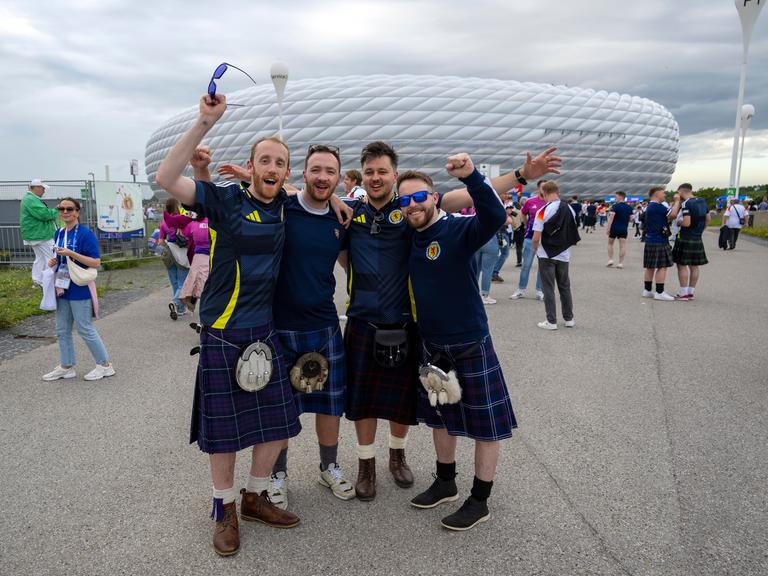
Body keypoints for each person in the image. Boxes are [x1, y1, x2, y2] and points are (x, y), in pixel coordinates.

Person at [155, 93, 302, 557]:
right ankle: (223, 509)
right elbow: (164, 178)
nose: (272, 167)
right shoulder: (224, 202)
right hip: (223, 333)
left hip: (266, 333)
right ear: (251, 165)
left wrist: (334, 201)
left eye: (280, 162)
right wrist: (204, 122)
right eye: (264, 160)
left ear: (286, 171)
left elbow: (320, 194)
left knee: (278, 424)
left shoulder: (287, 206)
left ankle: (255, 495)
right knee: (224, 434)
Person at [193, 143, 356, 510]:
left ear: (338, 177)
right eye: (316, 169)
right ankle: (276, 476)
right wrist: (241, 176)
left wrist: (337, 202)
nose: (323, 177)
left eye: (330, 171)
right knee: (282, 413)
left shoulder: (340, 217)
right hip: (278, 325)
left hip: (324, 323)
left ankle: (329, 466)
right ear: (302, 173)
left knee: (329, 404)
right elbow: (269, 191)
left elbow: (348, 263)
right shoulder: (285, 206)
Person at [398, 157, 517, 531]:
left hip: (469, 342)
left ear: (434, 197)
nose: (413, 204)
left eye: (419, 196)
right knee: (441, 418)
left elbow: (494, 217)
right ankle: (445, 481)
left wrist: (471, 176)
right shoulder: (409, 235)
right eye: (405, 200)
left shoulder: (459, 229)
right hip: (432, 345)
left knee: (485, 426)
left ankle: (479, 500)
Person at [42, 197, 115, 382]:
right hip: (62, 286)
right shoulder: (58, 233)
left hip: (80, 287)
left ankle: (105, 365)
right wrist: (54, 261)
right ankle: (67, 366)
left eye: (69, 209)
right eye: (62, 209)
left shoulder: (85, 234)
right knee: (62, 329)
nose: (65, 212)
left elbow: (96, 262)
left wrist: (71, 254)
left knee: (85, 328)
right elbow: (59, 257)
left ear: (77, 212)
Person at [532, 181, 579, 329]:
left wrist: (535, 250)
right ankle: (569, 319)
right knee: (565, 286)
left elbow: (536, 237)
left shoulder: (542, 211)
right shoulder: (569, 209)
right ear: (557, 192)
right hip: (564, 254)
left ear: (543, 193)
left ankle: (551, 321)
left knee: (548, 287)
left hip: (546, 254)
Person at [508, 181, 547, 300]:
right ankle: (521, 289)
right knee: (526, 265)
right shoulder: (530, 201)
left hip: (545, 239)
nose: (544, 190)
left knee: (543, 266)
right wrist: (527, 225)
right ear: (538, 188)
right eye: (542, 187)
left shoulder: (551, 202)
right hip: (530, 237)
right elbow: (523, 214)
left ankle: (539, 291)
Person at [671, 183, 709, 300]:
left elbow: (686, 222)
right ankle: (691, 292)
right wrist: (700, 230)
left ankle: (683, 293)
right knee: (694, 266)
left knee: (681, 265)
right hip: (697, 237)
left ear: (681, 192)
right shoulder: (702, 201)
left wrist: (678, 223)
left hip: (686, 237)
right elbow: (708, 219)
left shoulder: (686, 203)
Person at [642, 187, 679, 301]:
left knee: (650, 267)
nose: (665, 195)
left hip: (650, 239)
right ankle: (659, 292)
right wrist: (677, 201)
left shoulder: (651, 206)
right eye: (663, 193)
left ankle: (647, 290)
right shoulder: (658, 206)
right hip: (659, 240)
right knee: (662, 266)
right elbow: (672, 215)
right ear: (656, 194)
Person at [20, 179, 58, 287]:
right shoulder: (31, 200)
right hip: (41, 235)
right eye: (43, 188)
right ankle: (49, 280)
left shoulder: (29, 199)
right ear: (36, 188)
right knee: (52, 257)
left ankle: (37, 280)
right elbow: (45, 215)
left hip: (35, 234)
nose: (44, 190)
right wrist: (57, 209)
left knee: (40, 258)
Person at [157, 198, 189, 320]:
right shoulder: (182, 219)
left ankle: (180, 309)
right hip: (181, 252)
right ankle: (176, 302)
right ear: (177, 207)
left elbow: (160, 241)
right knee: (182, 282)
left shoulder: (164, 222)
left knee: (174, 282)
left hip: (168, 253)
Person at [179, 213, 210, 314]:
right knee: (207, 282)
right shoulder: (213, 222)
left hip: (198, 256)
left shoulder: (193, 224)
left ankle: (191, 300)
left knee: (194, 279)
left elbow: (184, 233)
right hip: (212, 255)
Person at [605, 191, 633, 268]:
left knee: (610, 244)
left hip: (614, 228)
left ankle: (610, 259)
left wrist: (608, 228)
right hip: (624, 228)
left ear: (620, 197)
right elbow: (631, 219)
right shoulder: (629, 207)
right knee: (622, 246)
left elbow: (611, 218)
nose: (615, 198)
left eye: (616, 197)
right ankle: (620, 263)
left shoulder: (614, 206)